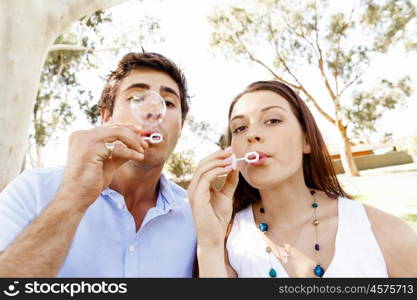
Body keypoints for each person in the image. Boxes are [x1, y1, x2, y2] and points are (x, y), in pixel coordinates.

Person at [188, 80, 417, 277]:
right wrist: (210, 244)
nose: (251, 134)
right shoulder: (227, 241)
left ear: (307, 141)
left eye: (272, 120)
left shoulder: (383, 230)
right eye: (239, 128)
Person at [0, 52, 197, 277]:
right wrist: (72, 198)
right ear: (106, 117)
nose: (152, 113)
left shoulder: (196, 217)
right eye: (137, 99)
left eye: (168, 103)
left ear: (181, 126)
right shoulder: (33, 190)